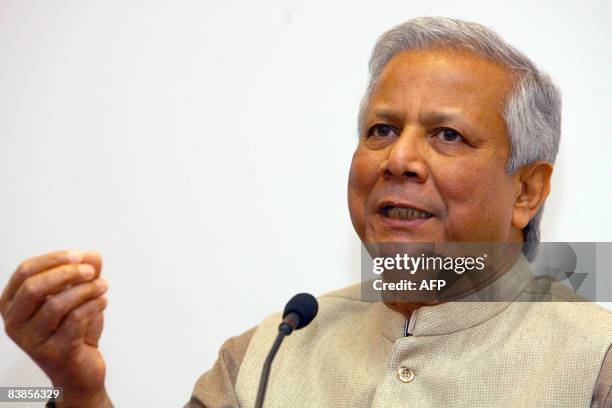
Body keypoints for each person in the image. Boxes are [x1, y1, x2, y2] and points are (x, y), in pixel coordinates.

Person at [1, 16, 610, 408]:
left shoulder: (595, 358)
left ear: (527, 192)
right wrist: (81, 390)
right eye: (380, 129)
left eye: (446, 136)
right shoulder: (272, 352)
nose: (399, 158)